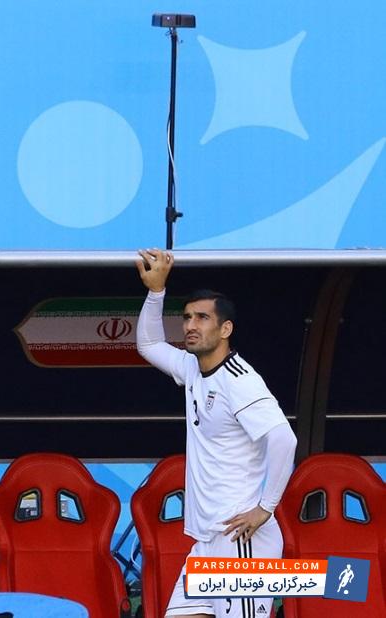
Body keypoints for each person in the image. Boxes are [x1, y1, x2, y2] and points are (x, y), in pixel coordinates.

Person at [135, 249, 298, 618]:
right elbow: (148, 345)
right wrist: (156, 292)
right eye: (187, 317)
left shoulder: (240, 381)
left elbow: (284, 439)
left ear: (226, 329)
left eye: (203, 318)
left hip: (241, 541)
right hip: (208, 542)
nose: (191, 325)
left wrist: (265, 509)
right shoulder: (192, 368)